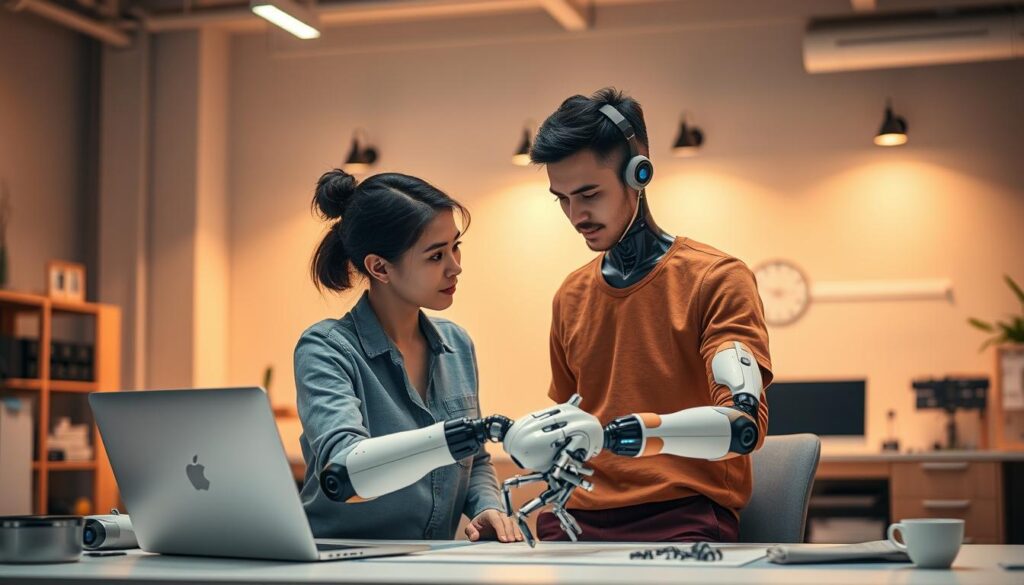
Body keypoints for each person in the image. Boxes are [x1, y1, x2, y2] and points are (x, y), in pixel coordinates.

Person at [529, 88, 773, 542]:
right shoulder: (571, 294)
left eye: (588, 193)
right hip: (574, 517)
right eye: (560, 198)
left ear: (638, 173)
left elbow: (742, 426)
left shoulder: (716, 279)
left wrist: (635, 434)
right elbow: (568, 416)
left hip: (679, 516)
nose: (575, 214)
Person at [294, 169, 520, 542]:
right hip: (340, 565)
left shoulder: (456, 345)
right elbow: (348, 470)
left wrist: (486, 507)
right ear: (379, 268)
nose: (455, 266)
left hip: (431, 563)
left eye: (455, 246)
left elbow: (475, 458)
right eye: (435, 256)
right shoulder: (326, 348)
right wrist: (447, 439)